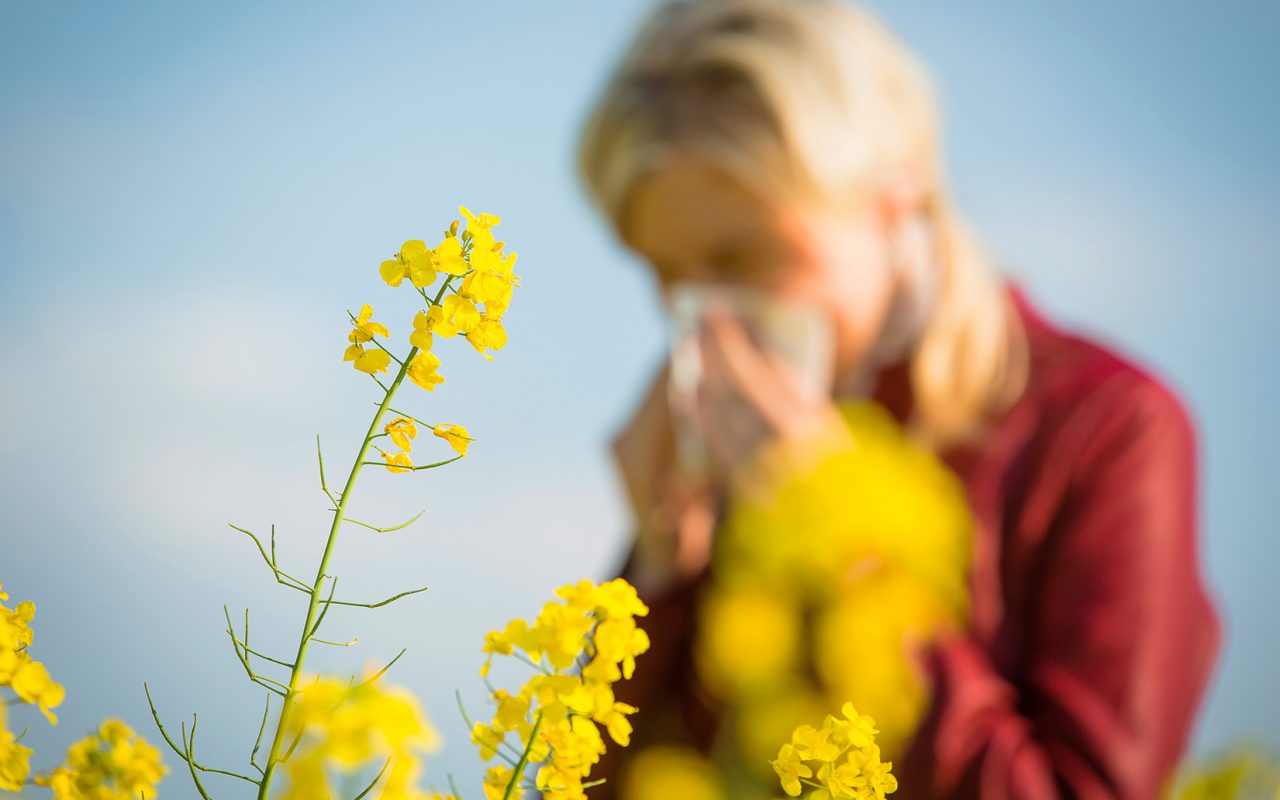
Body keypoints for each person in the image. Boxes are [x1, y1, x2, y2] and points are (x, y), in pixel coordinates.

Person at [575, 0, 1221, 797]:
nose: (708, 317)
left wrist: (841, 548)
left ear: (895, 194)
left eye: (743, 255)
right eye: (666, 273)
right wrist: (657, 576)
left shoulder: (1109, 430)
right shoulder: (727, 451)